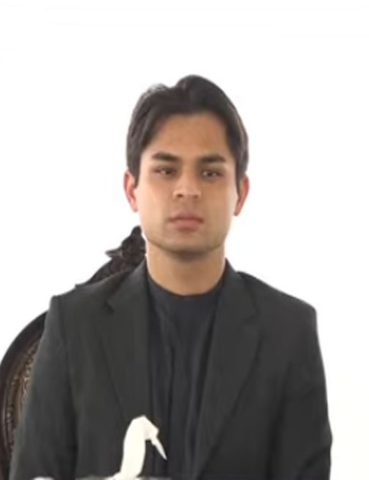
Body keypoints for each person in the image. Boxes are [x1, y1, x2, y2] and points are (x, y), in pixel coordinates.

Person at [11, 75, 332, 480]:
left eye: (210, 173)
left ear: (241, 193)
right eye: (166, 170)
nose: (187, 189)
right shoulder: (75, 325)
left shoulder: (288, 332)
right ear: (132, 189)